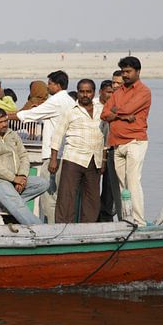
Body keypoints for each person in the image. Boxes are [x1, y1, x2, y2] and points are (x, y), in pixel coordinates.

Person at [8, 70, 74, 223]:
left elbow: (30, 115)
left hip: (53, 156)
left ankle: (51, 228)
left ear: (58, 85)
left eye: (50, 84)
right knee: (61, 196)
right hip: (67, 154)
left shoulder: (56, 101)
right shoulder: (70, 101)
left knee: (48, 196)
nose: (47, 87)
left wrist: (3, 117)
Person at [101, 56, 151, 226]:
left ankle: (139, 221)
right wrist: (123, 116)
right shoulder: (119, 92)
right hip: (117, 143)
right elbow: (104, 114)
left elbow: (127, 109)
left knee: (133, 182)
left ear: (138, 72)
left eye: (128, 71)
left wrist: (115, 113)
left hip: (135, 141)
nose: (125, 75)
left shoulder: (144, 91)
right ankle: (126, 220)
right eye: (123, 72)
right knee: (122, 185)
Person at [0, 108, 48, 225]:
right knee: (17, 203)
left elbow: (23, 155)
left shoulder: (12, 134)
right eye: (0, 122)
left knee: (42, 183)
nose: (4, 124)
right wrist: (14, 179)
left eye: (6, 121)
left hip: (16, 177)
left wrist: (22, 176)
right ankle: (39, 229)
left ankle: (7, 204)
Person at [48, 79, 105, 223]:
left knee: (92, 198)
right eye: (82, 91)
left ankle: (88, 228)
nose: (85, 95)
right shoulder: (70, 111)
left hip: (95, 159)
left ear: (94, 93)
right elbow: (57, 135)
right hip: (73, 158)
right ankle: (63, 227)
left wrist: (103, 160)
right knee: (67, 195)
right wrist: (53, 159)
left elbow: (105, 136)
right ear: (78, 92)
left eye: (88, 92)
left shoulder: (101, 110)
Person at [97, 79, 120, 222]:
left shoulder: (114, 107)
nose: (111, 95)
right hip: (95, 152)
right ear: (101, 92)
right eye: (108, 92)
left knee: (109, 188)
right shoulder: (94, 106)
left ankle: (106, 217)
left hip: (110, 151)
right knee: (92, 188)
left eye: (113, 92)